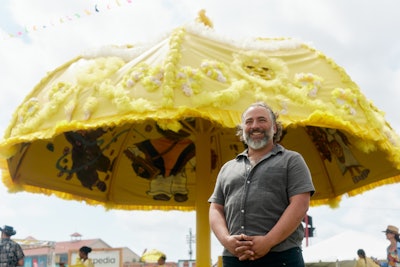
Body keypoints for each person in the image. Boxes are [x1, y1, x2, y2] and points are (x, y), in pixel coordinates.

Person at [208, 102, 315, 267]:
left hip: (281, 258)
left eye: (261, 120)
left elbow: (300, 204)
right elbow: (215, 208)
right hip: (234, 259)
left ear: (274, 128)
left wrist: (268, 241)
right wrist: (226, 240)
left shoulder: (292, 160)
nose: (255, 126)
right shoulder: (227, 168)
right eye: (249, 122)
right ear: (242, 130)